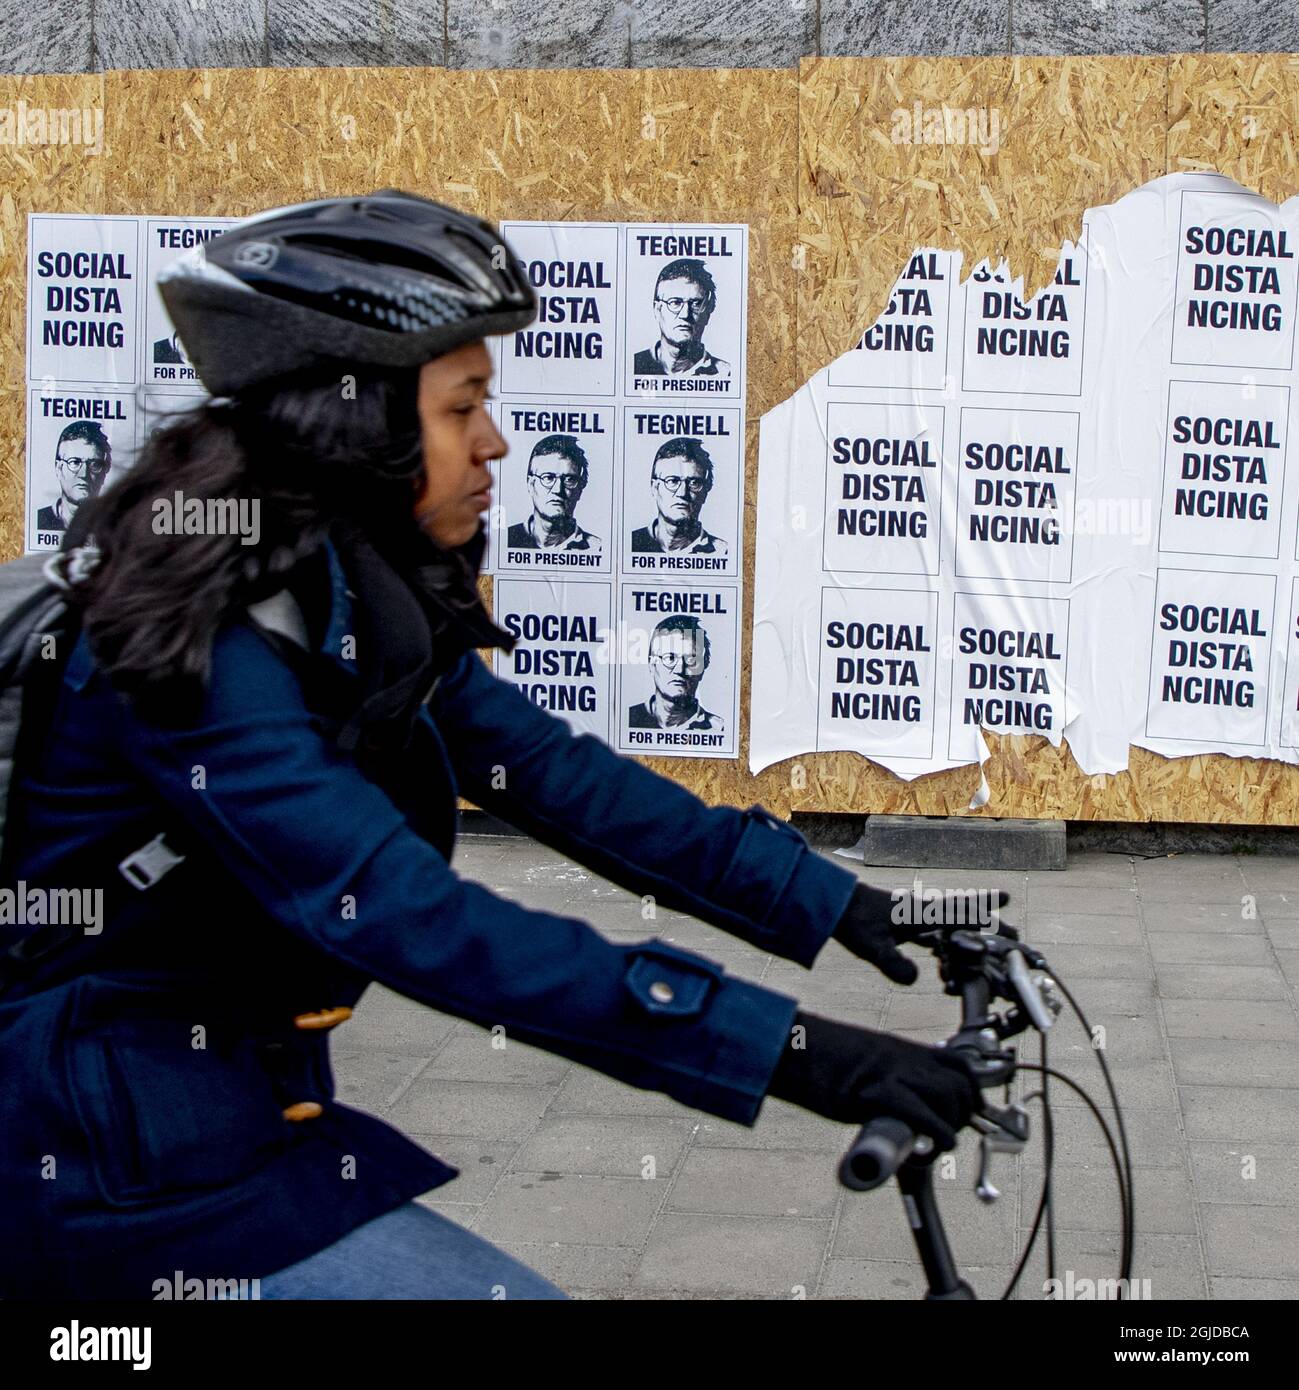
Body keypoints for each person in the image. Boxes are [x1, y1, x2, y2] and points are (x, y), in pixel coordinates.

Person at [0, 190, 994, 1301]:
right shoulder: (196, 642)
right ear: (362, 418)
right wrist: (804, 1055)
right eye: (462, 405)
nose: (496, 441)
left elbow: (558, 775)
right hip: (109, 1169)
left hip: (225, 1114)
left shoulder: (343, 577)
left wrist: (848, 905)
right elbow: (408, 917)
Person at [632, 258, 731, 378]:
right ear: (657, 310)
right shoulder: (632, 366)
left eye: (696, 303)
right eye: (675, 303)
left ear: (709, 312)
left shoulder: (726, 374)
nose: (685, 314)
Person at [630, 437, 728, 555]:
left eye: (694, 483)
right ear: (654, 487)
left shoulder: (723, 552)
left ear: (705, 492)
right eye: (672, 481)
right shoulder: (628, 544)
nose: (682, 493)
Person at [504, 434, 601, 552]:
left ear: (580, 490)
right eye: (548, 478)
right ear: (530, 484)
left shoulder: (597, 548)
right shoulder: (504, 540)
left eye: (569, 479)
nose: (557, 490)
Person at [628, 614, 724, 734]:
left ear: (702, 670)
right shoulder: (627, 720)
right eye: (670, 658)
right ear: (652, 665)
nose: (679, 669)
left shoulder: (718, 730)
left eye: (691, 659)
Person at [35, 419, 112, 534]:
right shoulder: (39, 520)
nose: (83, 474)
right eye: (74, 462)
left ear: (104, 472)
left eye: (94, 464)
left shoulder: (114, 526)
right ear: (58, 468)